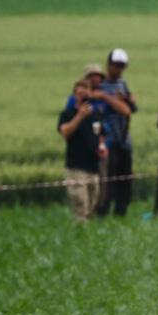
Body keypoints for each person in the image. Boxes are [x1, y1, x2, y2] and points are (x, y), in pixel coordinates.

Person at [93, 48, 138, 218]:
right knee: (108, 178)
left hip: (124, 138)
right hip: (108, 140)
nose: (119, 69)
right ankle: (103, 211)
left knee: (125, 178)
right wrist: (112, 100)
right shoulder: (100, 86)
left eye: (122, 66)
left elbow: (130, 110)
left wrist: (129, 100)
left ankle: (121, 211)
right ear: (109, 64)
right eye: (116, 65)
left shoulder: (123, 84)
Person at [58, 78, 108, 222]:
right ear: (75, 95)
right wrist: (80, 116)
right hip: (75, 167)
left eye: (86, 93)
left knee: (92, 204)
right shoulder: (67, 114)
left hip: (93, 166)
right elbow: (65, 132)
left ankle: (88, 235)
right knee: (80, 203)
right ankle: (80, 233)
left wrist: (102, 147)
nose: (83, 96)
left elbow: (101, 134)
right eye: (80, 93)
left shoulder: (95, 114)